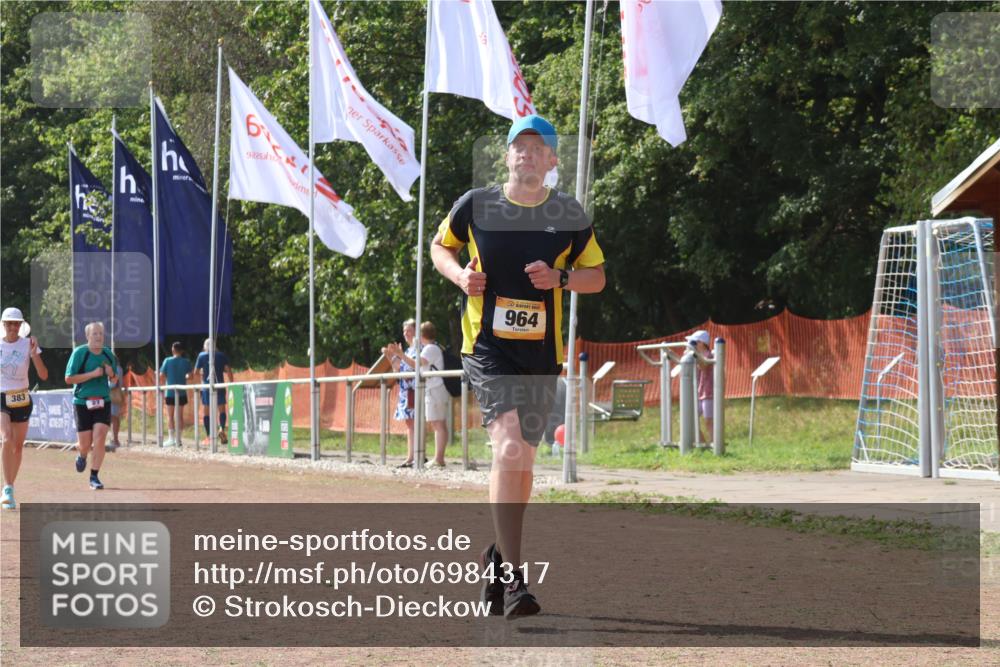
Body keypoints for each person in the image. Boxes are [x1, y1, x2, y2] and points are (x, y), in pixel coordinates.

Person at [430, 114, 606, 617]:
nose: (526, 153)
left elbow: (597, 275)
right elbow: (440, 246)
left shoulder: (569, 214)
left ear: (552, 161)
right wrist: (461, 276)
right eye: (518, 146)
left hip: (541, 355)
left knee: (523, 462)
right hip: (487, 348)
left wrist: (562, 278)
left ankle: (495, 555)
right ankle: (513, 579)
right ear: (507, 156)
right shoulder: (477, 205)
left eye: (537, 147)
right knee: (508, 447)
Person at [0, 308, 48, 509]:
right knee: (6, 438)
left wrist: (34, 352)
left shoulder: (28, 344)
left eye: (16, 323)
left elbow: (43, 375)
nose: (13, 327)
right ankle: (6, 488)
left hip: (22, 397)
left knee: (18, 447)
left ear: (21, 325)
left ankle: (11, 486)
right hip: (2, 396)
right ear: (3, 325)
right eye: (9, 323)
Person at [64, 321, 120, 490]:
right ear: (88, 336)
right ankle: (82, 455)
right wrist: (93, 374)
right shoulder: (80, 353)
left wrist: (112, 375)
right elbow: (69, 379)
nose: (98, 337)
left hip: (103, 400)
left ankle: (94, 476)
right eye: (94, 334)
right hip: (82, 402)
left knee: (101, 436)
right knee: (85, 445)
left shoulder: (109, 355)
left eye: (101, 334)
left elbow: (115, 379)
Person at [389, 321, 451, 468]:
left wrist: (400, 355)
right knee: (436, 423)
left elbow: (416, 364)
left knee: (438, 423)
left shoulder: (429, 348)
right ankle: (435, 458)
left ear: (421, 334)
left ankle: (438, 459)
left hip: (434, 388)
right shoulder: (429, 348)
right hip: (431, 388)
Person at [382, 319, 419, 468]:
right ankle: (411, 456)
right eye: (404, 331)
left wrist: (400, 354)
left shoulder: (418, 349)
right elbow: (398, 369)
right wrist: (390, 357)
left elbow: (415, 366)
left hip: (415, 389)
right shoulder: (409, 350)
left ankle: (416, 455)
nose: (406, 334)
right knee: (409, 424)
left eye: (409, 330)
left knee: (414, 424)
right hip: (405, 390)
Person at [195, 338, 234, 445]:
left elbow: (196, 372)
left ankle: (209, 436)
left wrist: (202, 373)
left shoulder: (201, 356)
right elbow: (228, 370)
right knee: (221, 409)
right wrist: (232, 383)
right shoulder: (221, 355)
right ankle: (221, 428)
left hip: (206, 386)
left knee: (206, 411)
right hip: (219, 385)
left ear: (205, 346)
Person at [160, 342, 193, 447]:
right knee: (179, 416)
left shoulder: (167, 361)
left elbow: (161, 375)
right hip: (182, 392)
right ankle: (178, 439)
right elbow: (190, 376)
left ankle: (171, 439)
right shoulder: (186, 362)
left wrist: (167, 377)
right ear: (182, 350)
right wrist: (184, 377)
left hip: (170, 392)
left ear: (173, 350)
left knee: (170, 416)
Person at [687, 330, 715, 444]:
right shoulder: (696, 355)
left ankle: (715, 443)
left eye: (693, 342)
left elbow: (703, 366)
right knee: (691, 419)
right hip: (700, 392)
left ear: (701, 343)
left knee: (709, 421)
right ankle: (703, 444)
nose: (691, 345)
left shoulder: (708, 355)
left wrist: (693, 354)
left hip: (708, 392)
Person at [107, 356, 125, 452]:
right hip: (117, 394)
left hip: (112, 394)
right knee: (115, 417)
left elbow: (113, 383)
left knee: (113, 417)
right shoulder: (120, 368)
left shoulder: (115, 369)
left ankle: (115, 439)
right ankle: (115, 438)